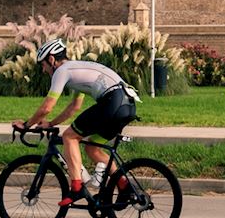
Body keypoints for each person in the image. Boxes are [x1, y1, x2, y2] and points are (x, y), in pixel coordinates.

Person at [12, 39, 139, 207]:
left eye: (43, 65)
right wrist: (50, 124)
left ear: (51, 59)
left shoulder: (62, 71)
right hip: (126, 105)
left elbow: (47, 107)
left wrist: (26, 125)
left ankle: (77, 187)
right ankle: (125, 188)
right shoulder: (75, 70)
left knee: (70, 137)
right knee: (92, 148)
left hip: (113, 102)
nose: (44, 70)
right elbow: (74, 107)